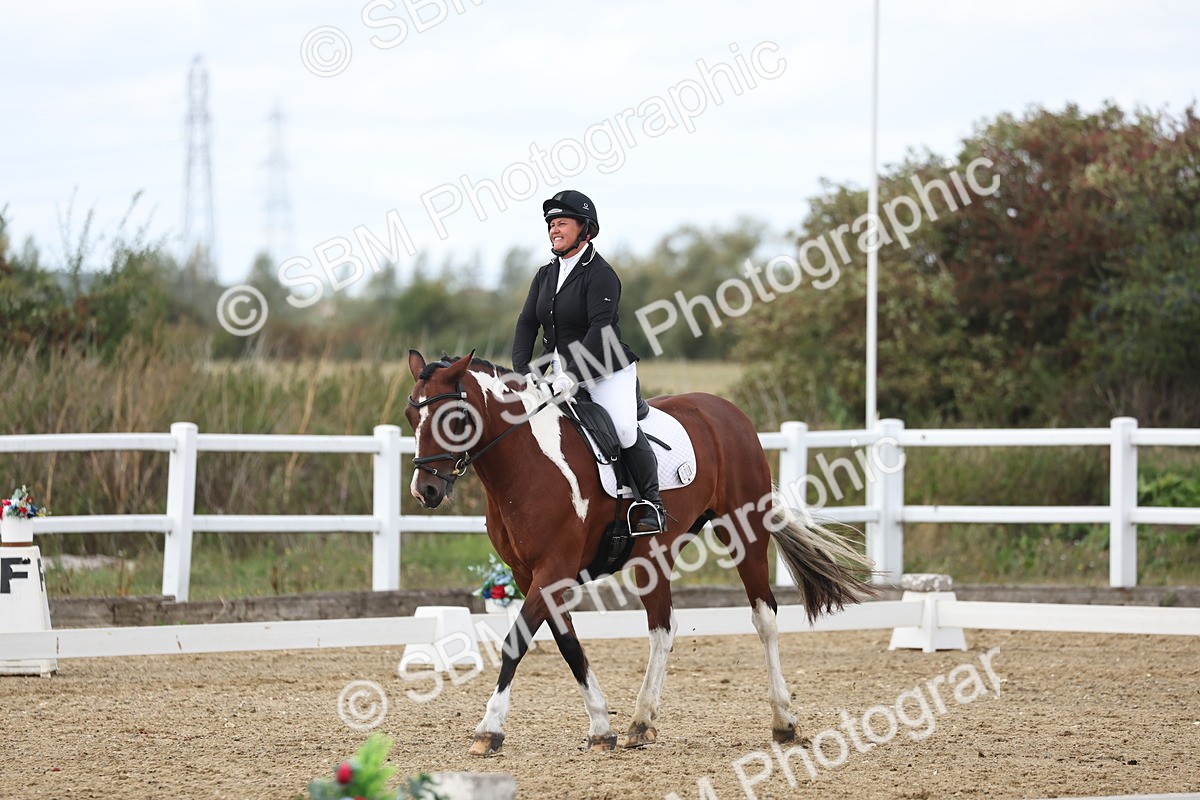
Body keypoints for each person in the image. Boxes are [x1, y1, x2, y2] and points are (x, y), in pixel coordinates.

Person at [511, 190, 665, 534]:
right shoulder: (545, 275)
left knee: (624, 429)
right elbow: (526, 323)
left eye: (562, 222)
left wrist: (573, 376)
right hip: (559, 372)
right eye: (551, 223)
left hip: (606, 369)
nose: (554, 229)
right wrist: (522, 371)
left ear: (586, 229)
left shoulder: (601, 274)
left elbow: (600, 329)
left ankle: (651, 504)